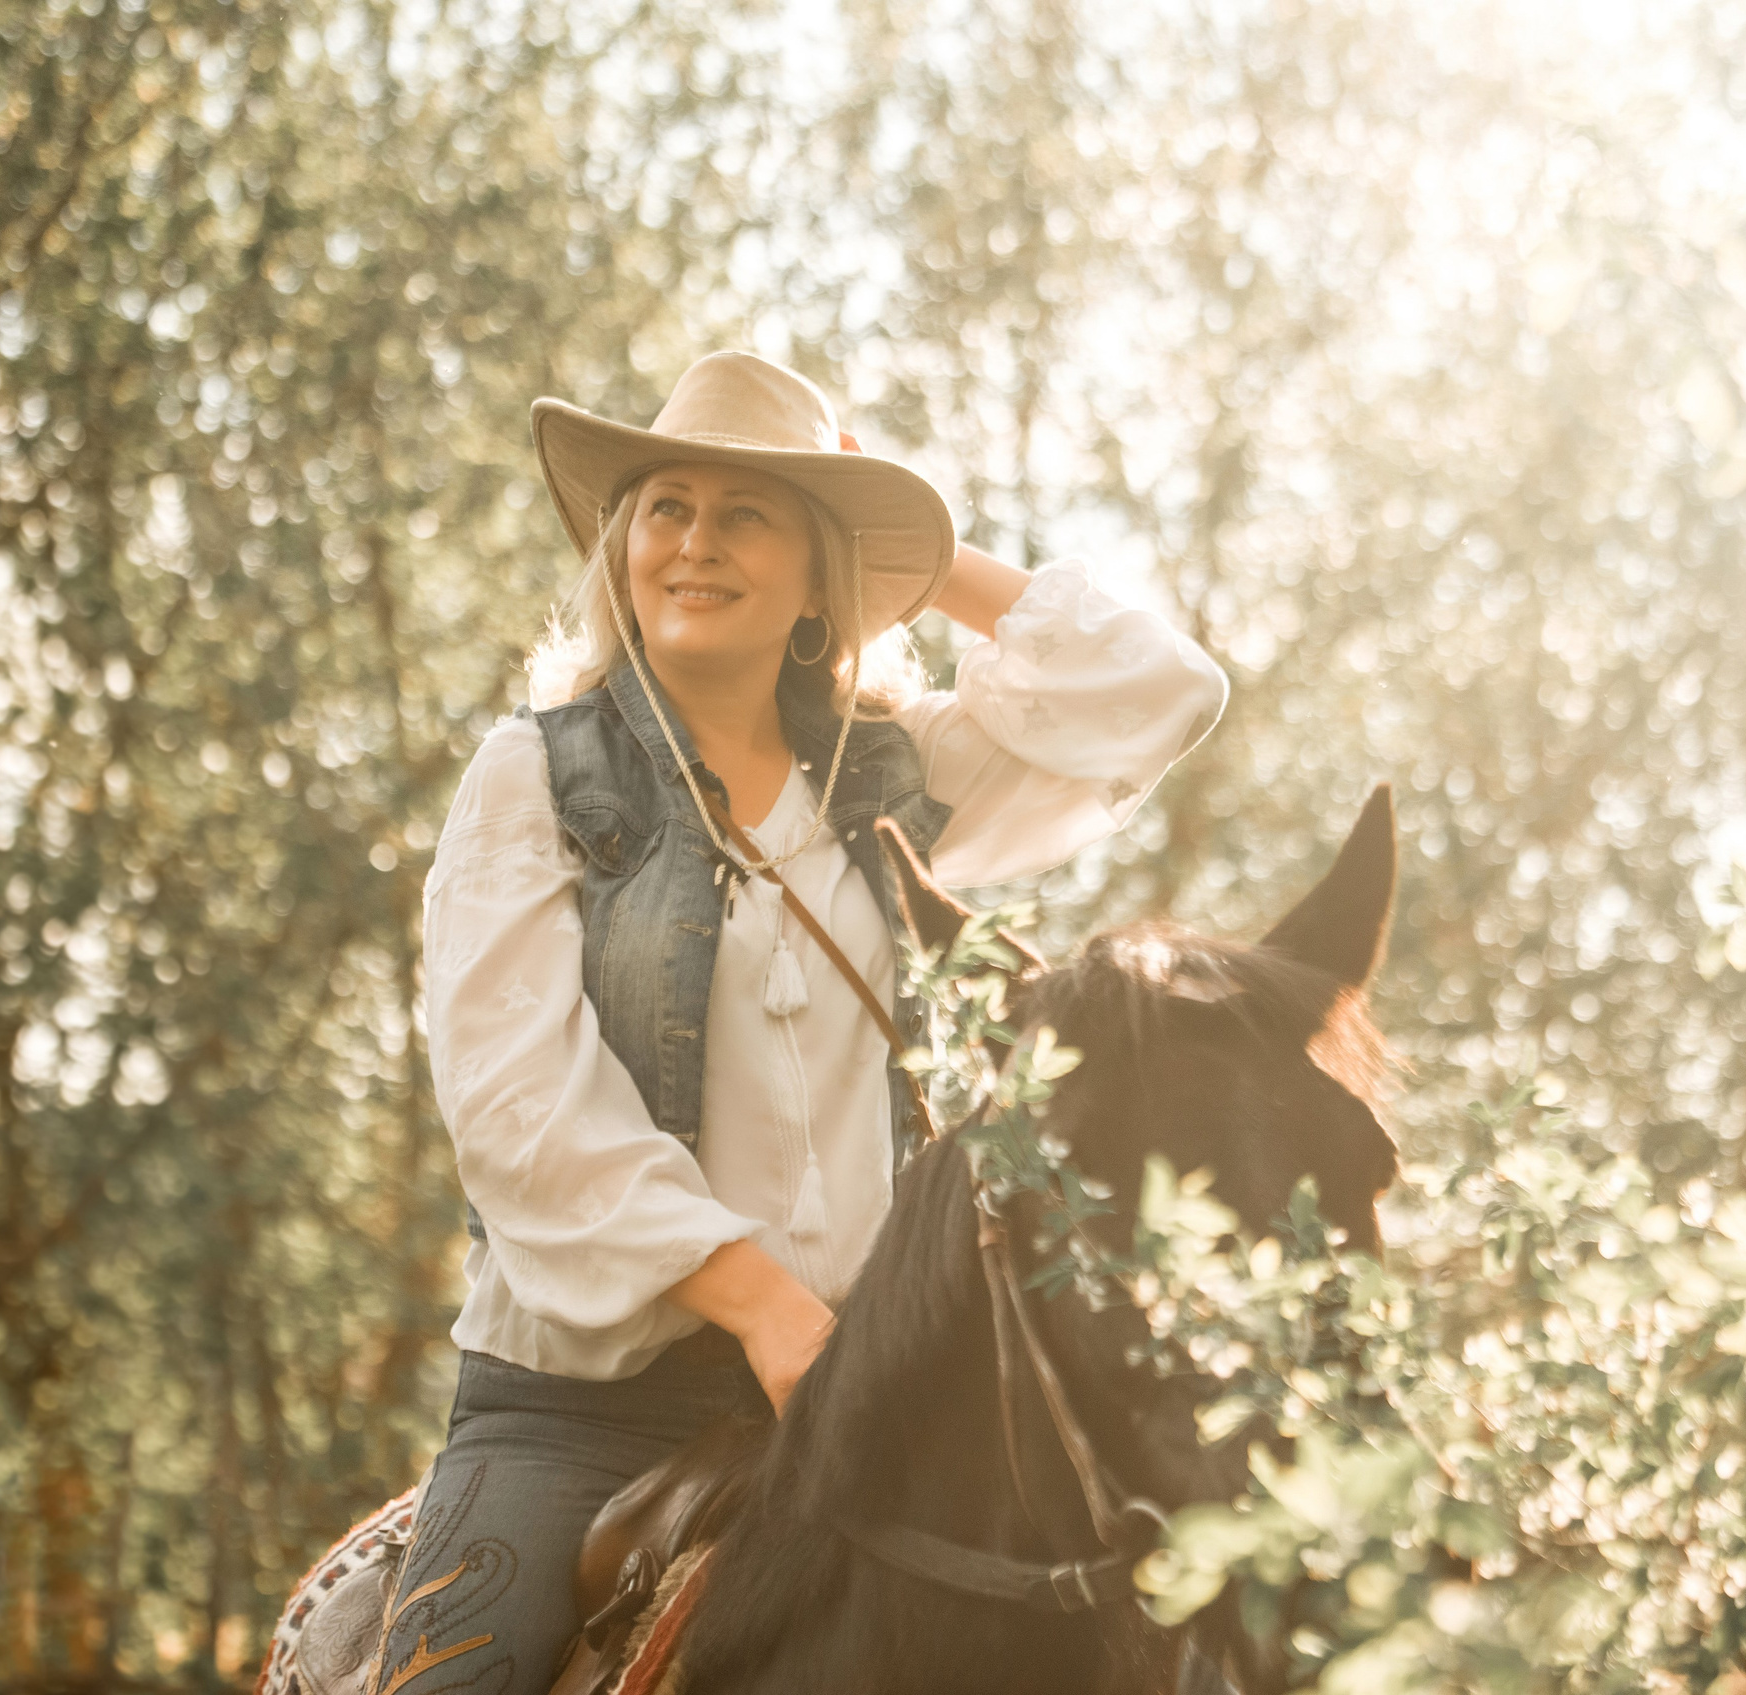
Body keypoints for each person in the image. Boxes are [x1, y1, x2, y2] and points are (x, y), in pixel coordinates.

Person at [367, 351, 1229, 1695]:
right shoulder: (532, 778)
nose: (695, 543)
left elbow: (1158, 691)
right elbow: (520, 1109)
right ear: (621, 543)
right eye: (667, 508)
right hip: (583, 1416)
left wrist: (911, 552)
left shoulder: (897, 775)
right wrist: (767, 1309)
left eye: (749, 512)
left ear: (820, 571)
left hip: (879, 1407)